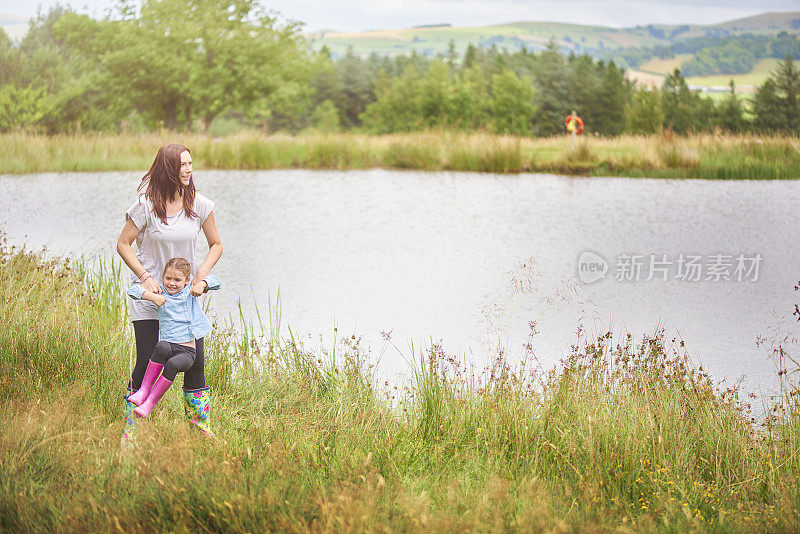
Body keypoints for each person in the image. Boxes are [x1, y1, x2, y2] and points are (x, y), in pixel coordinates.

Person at [116, 143, 222, 448]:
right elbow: (123, 244)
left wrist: (200, 277)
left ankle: (200, 427)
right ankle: (130, 429)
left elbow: (216, 244)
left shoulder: (200, 205)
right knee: (147, 359)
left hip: (184, 301)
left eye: (190, 164)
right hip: (152, 298)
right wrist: (146, 278)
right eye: (182, 165)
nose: (188, 169)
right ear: (168, 169)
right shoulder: (146, 205)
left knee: (195, 362)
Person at [126, 257, 221, 419]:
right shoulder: (160, 291)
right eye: (168, 278)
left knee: (172, 364)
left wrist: (202, 284)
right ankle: (143, 392)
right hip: (169, 347)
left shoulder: (189, 291)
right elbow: (132, 291)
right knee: (161, 346)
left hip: (187, 352)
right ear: (162, 277)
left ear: (186, 280)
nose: (172, 283)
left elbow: (216, 281)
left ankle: (150, 403)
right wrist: (151, 296)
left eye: (177, 280)